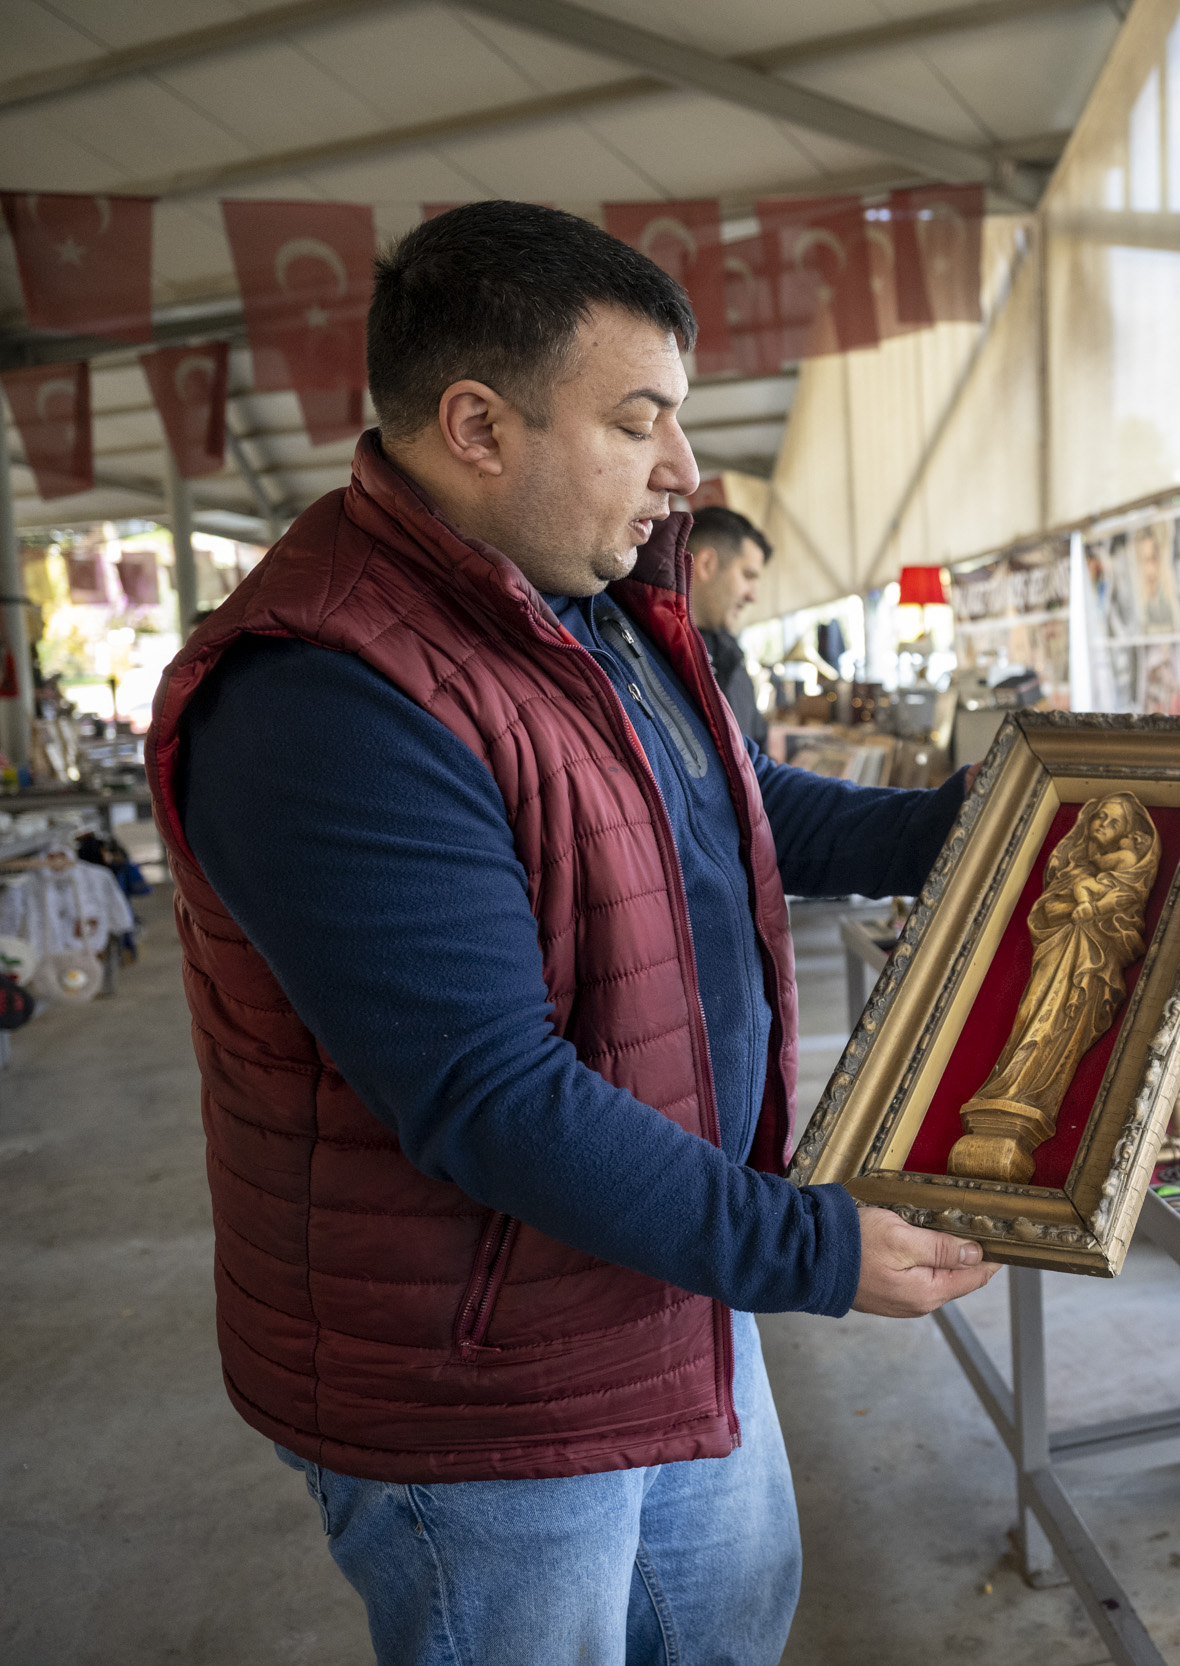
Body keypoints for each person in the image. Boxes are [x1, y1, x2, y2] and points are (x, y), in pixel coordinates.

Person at [144, 201, 998, 1666]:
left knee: (724, 1636)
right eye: (638, 421)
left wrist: (987, 822)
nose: (681, 475)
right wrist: (804, 1244)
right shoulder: (327, 694)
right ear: (476, 423)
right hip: (486, 1379)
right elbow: (488, 1093)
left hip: (666, 1272)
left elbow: (735, 805)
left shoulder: (577, 604)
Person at [686, 503, 773, 746]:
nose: (753, 596)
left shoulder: (733, 659)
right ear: (706, 564)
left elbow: (758, 760)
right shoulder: (645, 652)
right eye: (748, 575)